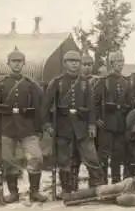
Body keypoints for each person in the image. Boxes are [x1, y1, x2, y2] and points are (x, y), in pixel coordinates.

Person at [0, 46, 47, 203]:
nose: (17, 64)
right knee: (8, 160)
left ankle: (34, 192)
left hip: (27, 127)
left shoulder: (31, 85)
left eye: (20, 61)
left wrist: (40, 128)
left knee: (36, 158)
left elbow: (39, 108)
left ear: (24, 63)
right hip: (6, 127)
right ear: (8, 63)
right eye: (14, 61)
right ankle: (13, 193)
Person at [41, 50, 104, 200]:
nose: (74, 64)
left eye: (77, 61)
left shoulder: (85, 83)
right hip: (63, 126)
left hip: (82, 127)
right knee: (64, 161)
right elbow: (45, 106)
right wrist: (47, 125)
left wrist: (92, 125)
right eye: (71, 61)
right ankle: (67, 189)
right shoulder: (57, 82)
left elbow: (91, 107)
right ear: (65, 63)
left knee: (92, 158)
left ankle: (96, 188)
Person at [95, 51, 133, 183]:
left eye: (122, 61)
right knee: (104, 155)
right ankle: (103, 181)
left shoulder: (126, 82)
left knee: (118, 154)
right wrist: (96, 119)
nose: (120, 64)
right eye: (117, 62)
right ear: (111, 64)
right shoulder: (103, 81)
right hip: (106, 123)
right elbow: (94, 102)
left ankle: (116, 181)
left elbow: (130, 103)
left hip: (121, 124)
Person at [70, 53, 102, 191]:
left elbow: (99, 104)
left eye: (90, 64)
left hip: (91, 125)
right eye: (84, 64)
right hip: (72, 125)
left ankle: (95, 186)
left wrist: (94, 122)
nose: (87, 67)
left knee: (93, 157)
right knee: (73, 157)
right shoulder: (73, 81)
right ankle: (71, 187)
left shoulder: (98, 81)